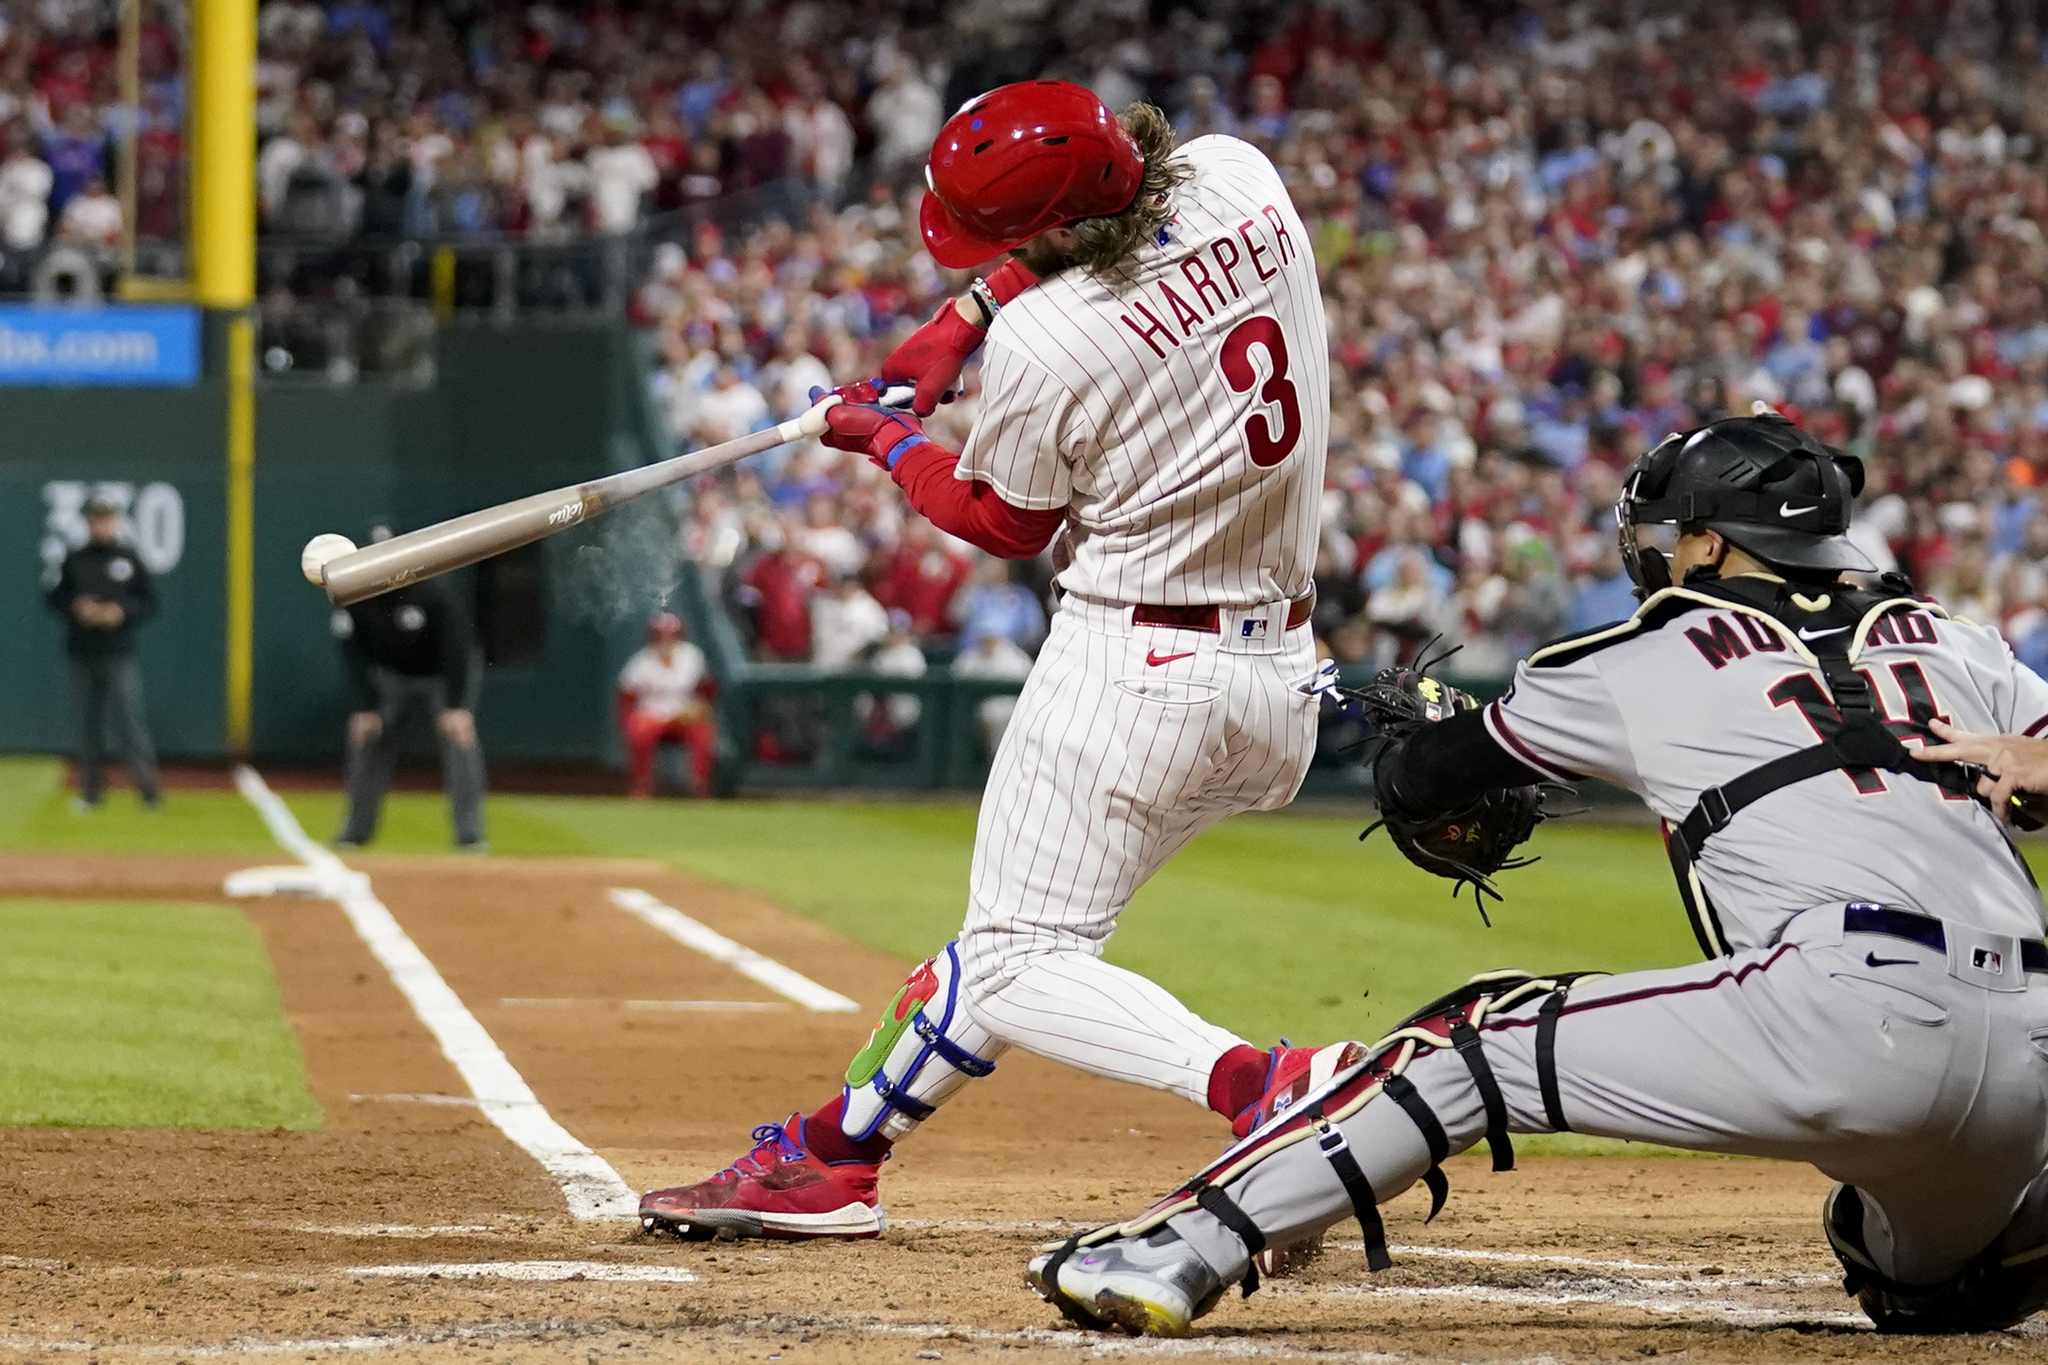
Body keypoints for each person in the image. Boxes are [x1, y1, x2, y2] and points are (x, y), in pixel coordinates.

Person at [1027, 413, 2048, 1338]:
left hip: (1844, 1011)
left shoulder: (1647, 647)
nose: (1659, 556)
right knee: (1907, 1276)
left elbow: (1429, 781)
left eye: (1669, 537)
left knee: (1469, 1040)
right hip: (2031, 1050)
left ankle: (1177, 1249)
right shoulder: (1955, 643)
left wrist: (1421, 743)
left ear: (1710, 544)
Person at [640, 80, 1331, 1241]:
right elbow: (1099, 243)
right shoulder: (1236, 175)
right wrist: (962, 322)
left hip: (1133, 669)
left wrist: (884, 434)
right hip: (1278, 680)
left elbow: (1000, 523)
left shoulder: (1055, 340)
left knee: (1017, 958)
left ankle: (1270, 1091)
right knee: (1014, 942)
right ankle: (832, 1156)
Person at [332, 527, 486, 849]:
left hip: (438, 676)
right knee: (367, 740)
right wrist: (365, 707)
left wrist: (457, 705)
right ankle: (355, 832)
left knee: (460, 741)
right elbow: (353, 654)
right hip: (389, 677)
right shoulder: (356, 598)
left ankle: (470, 836)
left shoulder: (432, 592)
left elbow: (458, 648)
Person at [45, 494, 160, 809]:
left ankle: (148, 791)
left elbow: (150, 602)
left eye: (107, 518)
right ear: (87, 522)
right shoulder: (75, 559)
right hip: (80, 652)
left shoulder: (128, 558)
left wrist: (119, 612)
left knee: (127, 721)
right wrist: (76, 607)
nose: (101, 524)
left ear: (116, 521)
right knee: (86, 725)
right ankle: (91, 792)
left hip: (118, 651)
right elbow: (54, 598)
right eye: (96, 518)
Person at [616, 610, 715, 799]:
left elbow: (707, 689)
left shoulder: (692, 656)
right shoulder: (641, 661)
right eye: (660, 635)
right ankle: (642, 786)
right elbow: (626, 695)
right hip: (652, 714)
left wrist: (702, 707)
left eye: (671, 635)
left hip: (684, 714)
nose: (666, 639)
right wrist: (629, 722)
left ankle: (700, 786)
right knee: (640, 732)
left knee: (704, 733)